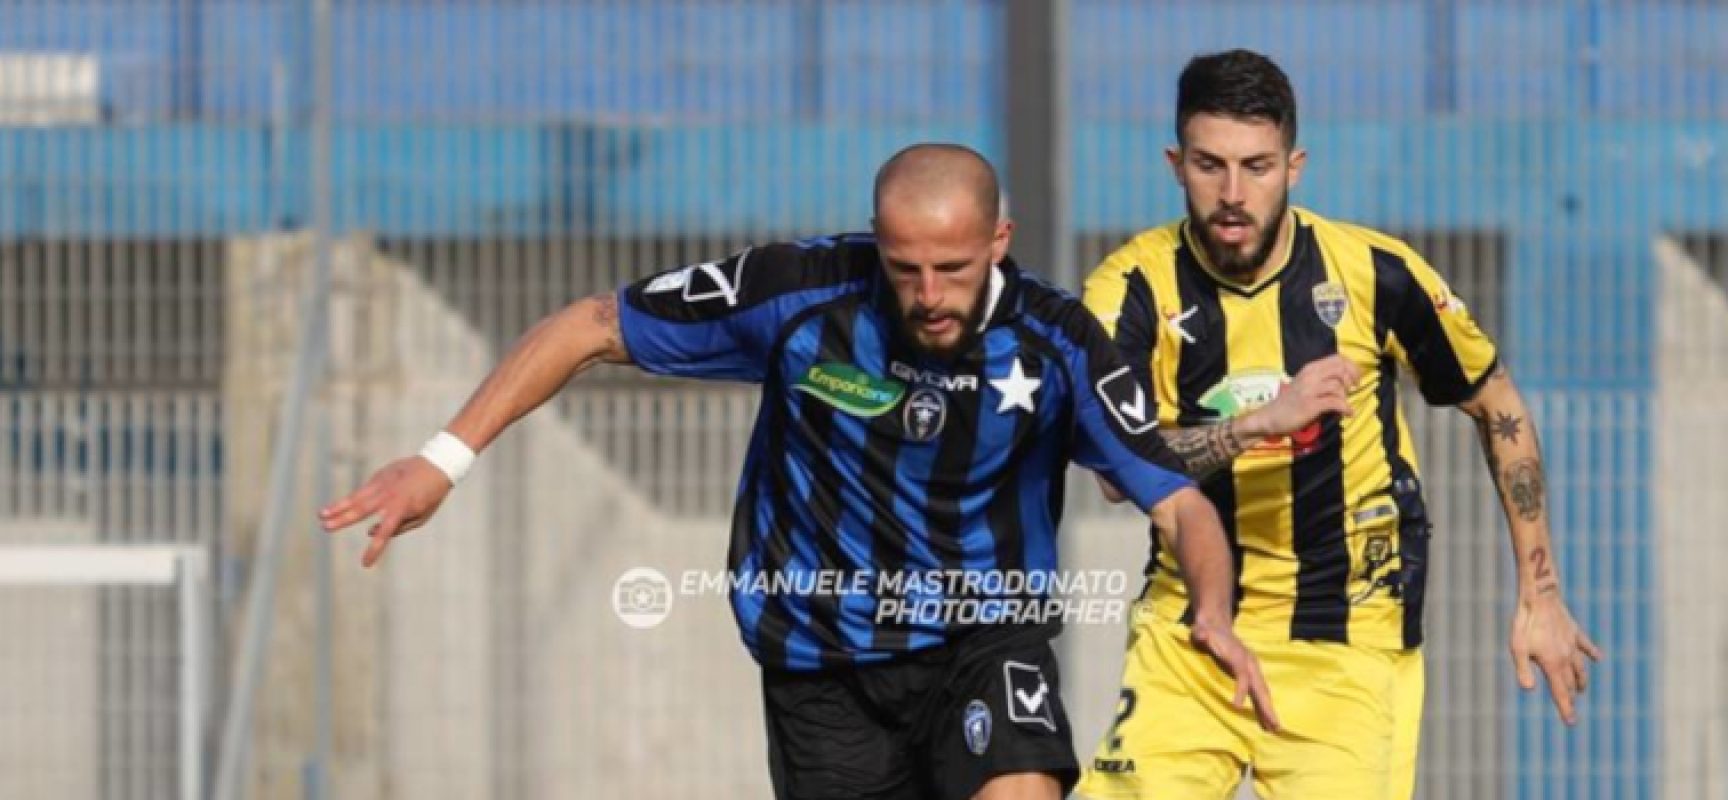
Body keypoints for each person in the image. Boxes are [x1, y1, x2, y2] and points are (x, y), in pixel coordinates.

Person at [318, 143, 1346, 800]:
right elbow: (593, 324)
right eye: (905, 267)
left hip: (986, 635)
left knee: (1023, 787)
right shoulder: (799, 294)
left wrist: (1214, 608)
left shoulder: (1058, 340)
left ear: (1000, 240)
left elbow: (1174, 496)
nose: (929, 292)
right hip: (821, 659)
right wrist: (442, 460)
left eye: (953, 266)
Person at [1075, 50, 1603, 800]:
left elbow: (1499, 406)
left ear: (1295, 165)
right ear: (1174, 163)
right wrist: (1264, 420)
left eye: (1256, 167)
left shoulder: (1373, 274)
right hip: (1189, 635)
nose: (1232, 194)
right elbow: (1115, 472)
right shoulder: (1129, 289)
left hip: (1346, 639)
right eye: (1209, 165)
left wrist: (1540, 592)